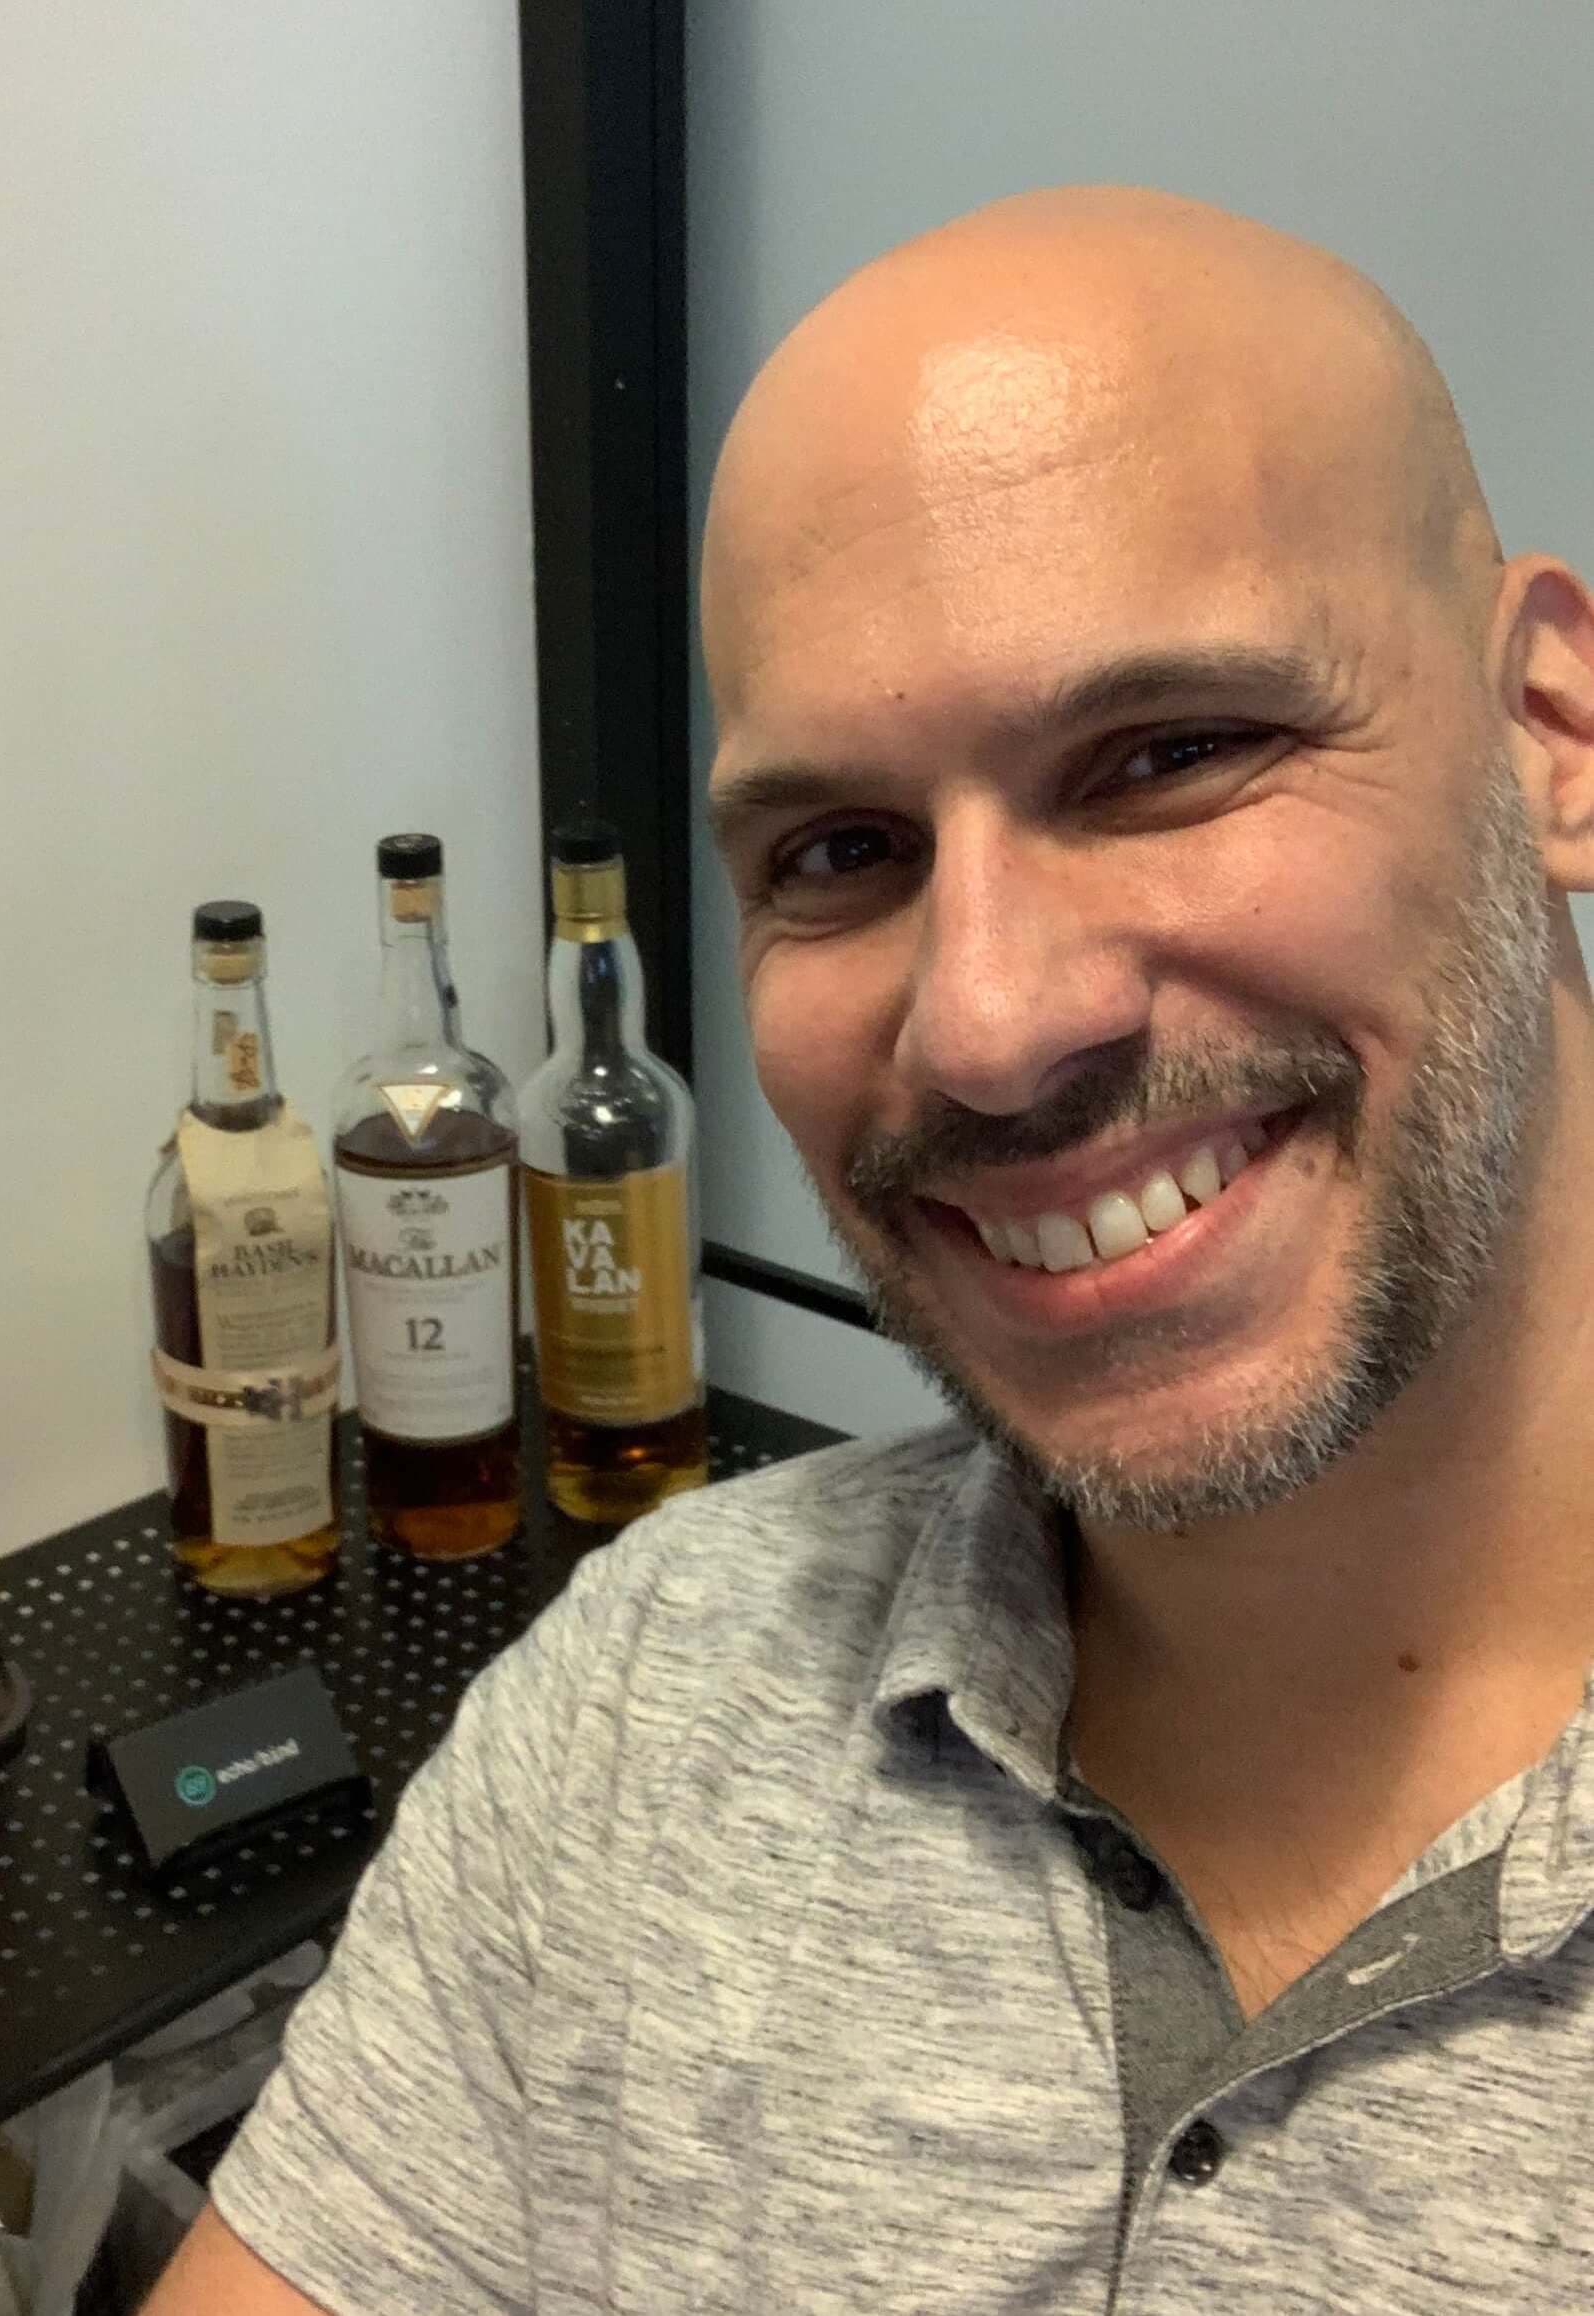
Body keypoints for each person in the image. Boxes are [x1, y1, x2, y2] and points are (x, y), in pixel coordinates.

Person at [144, 186, 1594, 2311]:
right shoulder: (656, 1707)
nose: (992, 1029)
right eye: (843, 852)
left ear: (1549, 734)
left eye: (1171, 754)